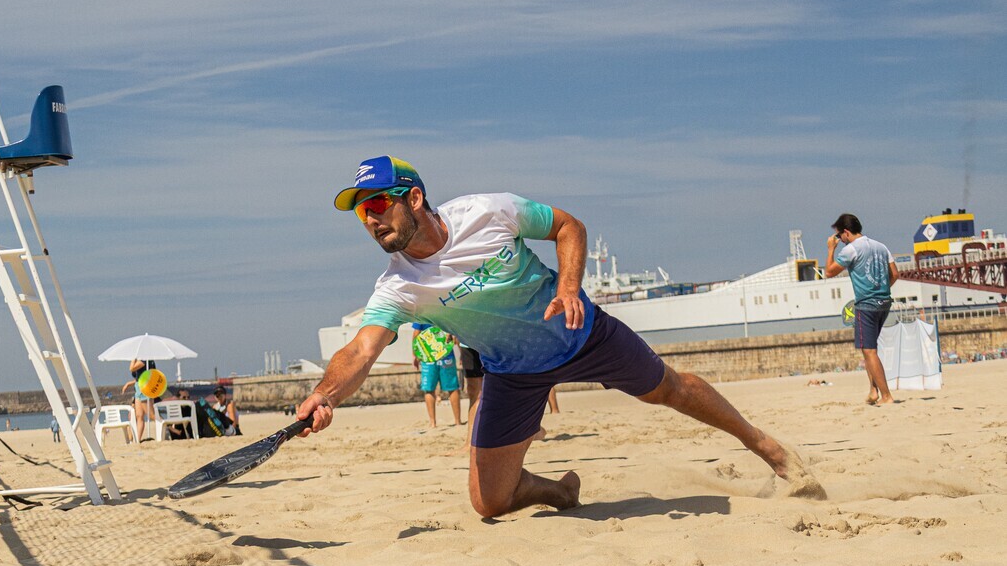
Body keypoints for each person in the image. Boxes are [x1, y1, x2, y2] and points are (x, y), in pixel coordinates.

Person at [296, 155, 822, 516]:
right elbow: (361, 349)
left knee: (670, 389)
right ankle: (558, 492)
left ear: (412, 199)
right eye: (360, 213)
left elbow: (567, 226)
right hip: (514, 374)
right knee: (490, 504)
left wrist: (569, 287)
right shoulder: (399, 285)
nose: (369, 221)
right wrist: (325, 394)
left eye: (375, 205)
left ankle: (766, 447)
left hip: (579, 334)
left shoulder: (488, 211)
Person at [825, 214, 899, 406]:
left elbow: (829, 272)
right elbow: (895, 274)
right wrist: (882, 289)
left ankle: (886, 395)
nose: (839, 240)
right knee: (870, 349)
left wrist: (831, 249)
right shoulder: (881, 246)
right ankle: (873, 391)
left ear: (846, 232)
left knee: (869, 350)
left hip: (866, 304)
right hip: (884, 302)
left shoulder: (851, 250)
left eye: (839, 237)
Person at [413, 323, 462, 429]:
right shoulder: (446, 310)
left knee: (429, 389)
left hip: (428, 356)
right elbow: (455, 333)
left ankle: (432, 423)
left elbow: (416, 334)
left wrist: (415, 355)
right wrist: (461, 352)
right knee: (452, 387)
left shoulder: (421, 312)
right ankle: (457, 421)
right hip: (446, 354)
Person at [121, 358, 158, 443]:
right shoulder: (142, 361)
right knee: (139, 415)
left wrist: (133, 359)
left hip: (144, 387)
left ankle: (169, 427)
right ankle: (137, 440)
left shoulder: (144, 360)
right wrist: (128, 383)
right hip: (139, 388)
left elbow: (132, 368)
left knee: (150, 414)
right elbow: (139, 377)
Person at [460, 345, 484, 446]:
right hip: (467, 342)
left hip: (491, 339)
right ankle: (470, 442)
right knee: (474, 391)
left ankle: (533, 429)